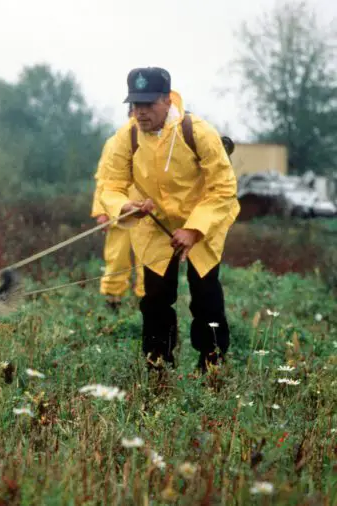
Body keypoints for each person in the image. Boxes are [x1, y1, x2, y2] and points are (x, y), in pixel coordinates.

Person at [100, 67, 240, 373]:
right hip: (154, 224)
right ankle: (158, 363)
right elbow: (111, 186)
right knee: (155, 298)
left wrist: (194, 230)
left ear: (167, 100)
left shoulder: (198, 132)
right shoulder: (127, 136)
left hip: (203, 220)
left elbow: (223, 188)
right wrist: (126, 207)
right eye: (136, 104)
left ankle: (212, 363)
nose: (141, 112)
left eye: (148, 104)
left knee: (205, 295)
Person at [90, 105, 145, 310]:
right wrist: (102, 211)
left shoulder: (159, 140)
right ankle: (113, 302)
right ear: (130, 113)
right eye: (136, 109)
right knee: (116, 258)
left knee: (148, 260)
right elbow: (103, 178)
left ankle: (146, 302)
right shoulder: (114, 142)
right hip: (119, 210)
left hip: (147, 212)